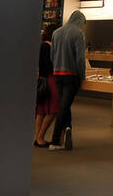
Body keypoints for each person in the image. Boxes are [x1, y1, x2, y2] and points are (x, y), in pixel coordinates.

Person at [48, 11, 86, 150]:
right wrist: (82, 76)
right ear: (80, 21)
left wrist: (57, 66)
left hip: (57, 74)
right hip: (71, 75)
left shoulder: (56, 33)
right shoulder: (78, 33)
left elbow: (52, 55)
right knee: (63, 106)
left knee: (65, 103)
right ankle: (55, 141)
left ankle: (68, 127)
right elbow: (80, 58)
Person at [34, 26, 60, 148]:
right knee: (53, 109)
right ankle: (40, 137)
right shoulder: (49, 47)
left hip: (41, 80)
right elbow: (52, 65)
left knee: (41, 111)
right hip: (50, 80)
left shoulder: (42, 45)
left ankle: (38, 137)